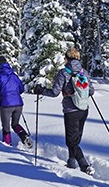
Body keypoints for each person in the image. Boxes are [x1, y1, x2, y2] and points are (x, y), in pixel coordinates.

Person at [33, 47, 95, 175]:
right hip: (84, 109)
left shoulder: (63, 73)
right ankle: (71, 162)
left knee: (71, 141)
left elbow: (55, 92)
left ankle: (84, 166)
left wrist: (41, 90)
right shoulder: (84, 72)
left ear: (67, 58)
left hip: (70, 110)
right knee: (76, 139)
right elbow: (91, 91)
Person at [0, 56, 32, 147]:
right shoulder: (14, 75)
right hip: (18, 104)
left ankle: (7, 145)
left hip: (6, 105)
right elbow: (21, 89)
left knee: (6, 126)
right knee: (15, 124)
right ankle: (25, 137)